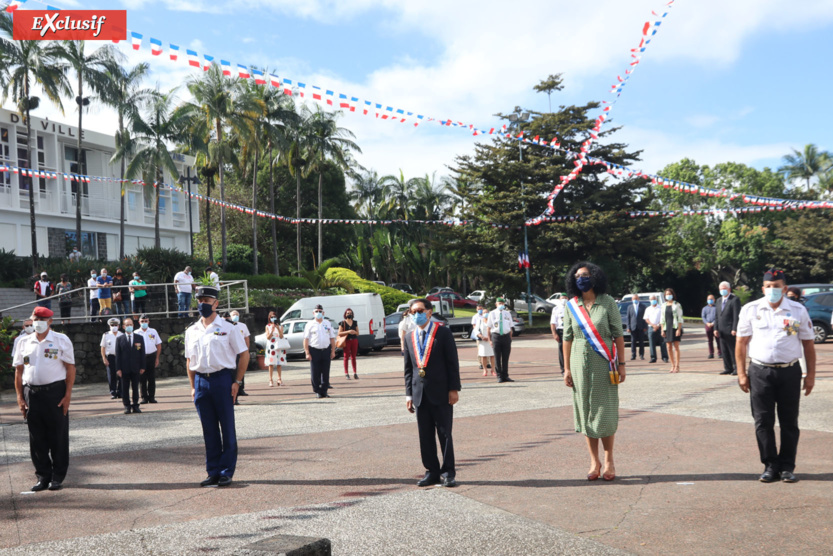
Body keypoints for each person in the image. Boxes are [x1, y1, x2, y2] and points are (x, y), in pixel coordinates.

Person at [736, 269, 815, 483]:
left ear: (785, 288)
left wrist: (810, 376)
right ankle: (770, 465)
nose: (773, 290)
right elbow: (741, 343)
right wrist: (742, 374)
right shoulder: (750, 309)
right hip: (760, 372)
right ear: (763, 288)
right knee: (763, 421)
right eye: (769, 286)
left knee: (789, 421)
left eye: (777, 286)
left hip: (790, 371)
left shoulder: (797, 310)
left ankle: (787, 466)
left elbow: (808, 344)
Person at [562, 262, 626, 482]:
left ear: (595, 277)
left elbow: (618, 335)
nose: (582, 278)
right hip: (579, 362)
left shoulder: (607, 302)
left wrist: (622, 364)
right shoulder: (571, 305)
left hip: (604, 362)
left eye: (586, 275)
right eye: (578, 275)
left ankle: (609, 460)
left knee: (605, 409)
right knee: (586, 409)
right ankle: (593, 461)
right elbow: (567, 338)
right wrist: (567, 368)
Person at [185, 285, 249, 487]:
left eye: (207, 300)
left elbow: (244, 354)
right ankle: (212, 471)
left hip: (222, 379)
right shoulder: (192, 331)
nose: (203, 304)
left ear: (216, 303)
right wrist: (193, 386)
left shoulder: (228, 328)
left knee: (227, 428)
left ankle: (226, 471)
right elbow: (189, 360)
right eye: (200, 300)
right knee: (209, 430)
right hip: (201, 381)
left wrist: (237, 382)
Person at [13, 306, 76, 491]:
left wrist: (67, 396)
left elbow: (70, 369)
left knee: (57, 435)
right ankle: (43, 476)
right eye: (35, 319)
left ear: (50, 321)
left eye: (42, 319)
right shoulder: (23, 342)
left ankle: (57, 476)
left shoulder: (60, 340)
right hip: (31, 393)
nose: (37, 322)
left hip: (55, 392)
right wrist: (19, 397)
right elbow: (18, 370)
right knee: (36, 437)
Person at [403, 298, 461, 488]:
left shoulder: (442, 333)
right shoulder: (409, 336)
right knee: (424, 435)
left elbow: (452, 363)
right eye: (413, 312)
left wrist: (454, 389)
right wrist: (409, 394)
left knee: (444, 434)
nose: (416, 315)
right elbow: (409, 369)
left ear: (429, 312)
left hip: (441, 392)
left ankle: (448, 472)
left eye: (420, 311)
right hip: (419, 394)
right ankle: (431, 471)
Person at [303, 304, 337, 398]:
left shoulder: (327, 323)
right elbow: (306, 339)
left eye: (320, 311)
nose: (318, 313)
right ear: (313, 313)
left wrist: (333, 351)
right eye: (316, 311)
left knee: (325, 371)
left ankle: (324, 391)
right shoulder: (309, 324)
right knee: (315, 372)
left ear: (323, 313)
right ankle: (317, 390)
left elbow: (332, 338)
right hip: (314, 350)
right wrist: (307, 352)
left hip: (326, 350)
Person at [116, 317, 145, 415]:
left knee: (135, 388)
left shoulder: (139, 338)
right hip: (124, 368)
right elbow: (118, 355)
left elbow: (142, 353)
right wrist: (118, 369)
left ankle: (136, 405)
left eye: (131, 325)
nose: (129, 326)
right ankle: (127, 406)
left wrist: (142, 366)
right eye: (127, 325)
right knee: (125, 388)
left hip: (136, 367)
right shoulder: (120, 339)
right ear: (123, 327)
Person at [715, 281, 741, 375]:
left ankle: (736, 368)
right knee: (724, 350)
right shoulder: (718, 300)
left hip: (730, 329)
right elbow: (717, 316)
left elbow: (736, 315)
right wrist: (715, 328)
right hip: (721, 330)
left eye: (724, 288)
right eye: (721, 289)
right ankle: (728, 367)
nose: (722, 290)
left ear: (729, 289)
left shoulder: (734, 300)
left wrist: (734, 328)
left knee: (732, 349)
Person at [487, 297, 515, 383]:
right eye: (499, 304)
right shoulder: (492, 313)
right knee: (497, 357)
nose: (501, 305)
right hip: (496, 336)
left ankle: (505, 375)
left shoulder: (507, 313)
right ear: (496, 304)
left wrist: (510, 338)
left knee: (506, 357)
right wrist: (490, 340)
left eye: (502, 304)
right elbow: (488, 328)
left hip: (506, 336)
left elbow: (510, 327)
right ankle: (499, 376)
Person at [136, 314, 162, 404]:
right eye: (142, 321)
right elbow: (135, 347)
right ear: (139, 322)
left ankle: (151, 397)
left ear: (149, 322)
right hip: (141, 357)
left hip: (151, 356)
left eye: (146, 321)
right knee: (142, 379)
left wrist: (157, 358)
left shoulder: (153, 331)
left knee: (151, 378)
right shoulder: (136, 333)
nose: (144, 323)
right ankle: (144, 397)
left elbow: (158, 344)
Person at [660, 288, 684, 373]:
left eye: (669, 294)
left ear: (673, 295)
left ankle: (677, 366)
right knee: (668, 347)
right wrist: (662, 329)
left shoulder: (677, 305)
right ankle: (672, 365)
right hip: (667, 327)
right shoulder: (663, 305)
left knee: (676, 346)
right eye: (666, 294)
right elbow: (662, 318)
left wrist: (679, 329)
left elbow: (680, 318)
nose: (668, 296)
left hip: (675, 327)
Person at [229, 310, 251, 402]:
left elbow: (246, 338)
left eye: (237, 315)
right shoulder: (228, 326)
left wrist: (246, 351)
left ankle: (241, 389)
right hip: (231, 353)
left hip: (241, 352)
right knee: (232, 374)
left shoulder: (242, 325)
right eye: (234, 315)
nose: (235, 316)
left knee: (241, 371)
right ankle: (234, 396)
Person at [100, 317, 123, 399]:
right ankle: (113, 392)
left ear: (119, 326)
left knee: (121, 375)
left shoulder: (122, 335)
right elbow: (103, 347)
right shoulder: (106, 335)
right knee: (111, 375)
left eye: (115, 325)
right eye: (112, 325)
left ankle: (121, 392)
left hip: (120, 357)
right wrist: (104, 358)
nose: (114, 326)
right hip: (110, 357)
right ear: (109, 326)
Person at [643, 295, 669, 364]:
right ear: (650, 300)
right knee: (651, 343)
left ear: (656, 300)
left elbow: (663, 318)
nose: (653, 300)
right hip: (651, 328)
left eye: (654, 299)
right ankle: (653, 357)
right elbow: (646, 319)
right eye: (651, 299)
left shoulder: (660, 308)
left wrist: (657, 325)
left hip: (660, 327)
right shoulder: (648, 309)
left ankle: (665, 357)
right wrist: (653, 325)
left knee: (663, 343)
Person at [264, 311, 286, 387]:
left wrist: (278, 329)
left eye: (275, 317)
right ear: (269, 318)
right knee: (271, 363)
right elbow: (268, 337)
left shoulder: (280, 326)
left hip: (279, 345)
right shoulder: (268, 326)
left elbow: (281, 336)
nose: (273, 318)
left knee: (279, 363)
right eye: (272, 317)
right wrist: (272, 330)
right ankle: (270, 380)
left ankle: (279, 379)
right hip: (271, 345)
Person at [339, 308, 360, 380]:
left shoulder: (355, 322)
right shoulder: (342, 323)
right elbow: (339, 333)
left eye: (350, 313)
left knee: (353, 357)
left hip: (354, 340)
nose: (349, 314)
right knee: (346, 357)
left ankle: (355, 372)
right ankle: (346, 373)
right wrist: (348, 332)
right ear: (345, 314)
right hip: (347, 341)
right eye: (348, 313)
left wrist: (354, 332)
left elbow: (358, 333)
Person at [474, 305, 495, 377]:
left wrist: (490, 337)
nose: (485, 314)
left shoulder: (492, 321)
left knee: (492, 355)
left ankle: (493, 370)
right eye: (484, 313)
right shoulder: (480, 321)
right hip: (483, 341)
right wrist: (481, 336)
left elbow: (494, 329)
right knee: (483, 356)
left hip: (491, 340)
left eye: (486, 312)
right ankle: (485, 370)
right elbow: (476, 330)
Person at [626, 294, 647, 361]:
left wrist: (645, 326)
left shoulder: (643, 307)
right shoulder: (629, 307)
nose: (635, 300)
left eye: (636, 299)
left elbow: (645, 318)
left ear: (638, 299)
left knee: (641, 342)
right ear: (632, 300)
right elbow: (628, 318)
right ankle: (633, 355)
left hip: (641, 327)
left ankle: (641, 355)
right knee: (633, 342)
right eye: (634, 299)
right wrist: (628, 327)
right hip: (633, 327)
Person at [550, 298, 566, 374]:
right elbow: (553, 322)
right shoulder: (556, 309)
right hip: (561, 331)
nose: (564, 300)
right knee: (561, 350)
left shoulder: (572, 307)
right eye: (562, 298)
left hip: (570, 330)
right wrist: (554, 333)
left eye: (566, 298)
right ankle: (563, 369)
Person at [701, 294, 720, 360]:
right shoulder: (704, 308)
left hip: (715, 325)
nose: (710, 300)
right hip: (708, 325)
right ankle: (711, 353)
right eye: (709, 299)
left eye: (711, 299)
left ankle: (720, 353)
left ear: (714, 300)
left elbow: (718, 316)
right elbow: (703, 317)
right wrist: (707, 323)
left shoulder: (717, 308)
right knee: (710, 340)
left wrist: (713, 323)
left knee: (718, 339)